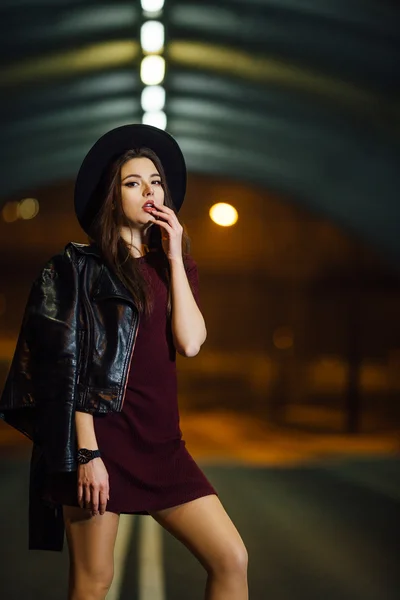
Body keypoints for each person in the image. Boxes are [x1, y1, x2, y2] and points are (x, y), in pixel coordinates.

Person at [0, 124, 248, 600]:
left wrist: (175, 254)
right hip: (101, 443)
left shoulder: (172, 268)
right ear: (113, 198)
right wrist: (87, 455)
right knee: (94, 583)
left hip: (162, 446)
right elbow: (66, 366)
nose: (149, 190)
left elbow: (191, 342)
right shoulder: (80, 270)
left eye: (154, 181)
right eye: (133, 183)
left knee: (231, 559)